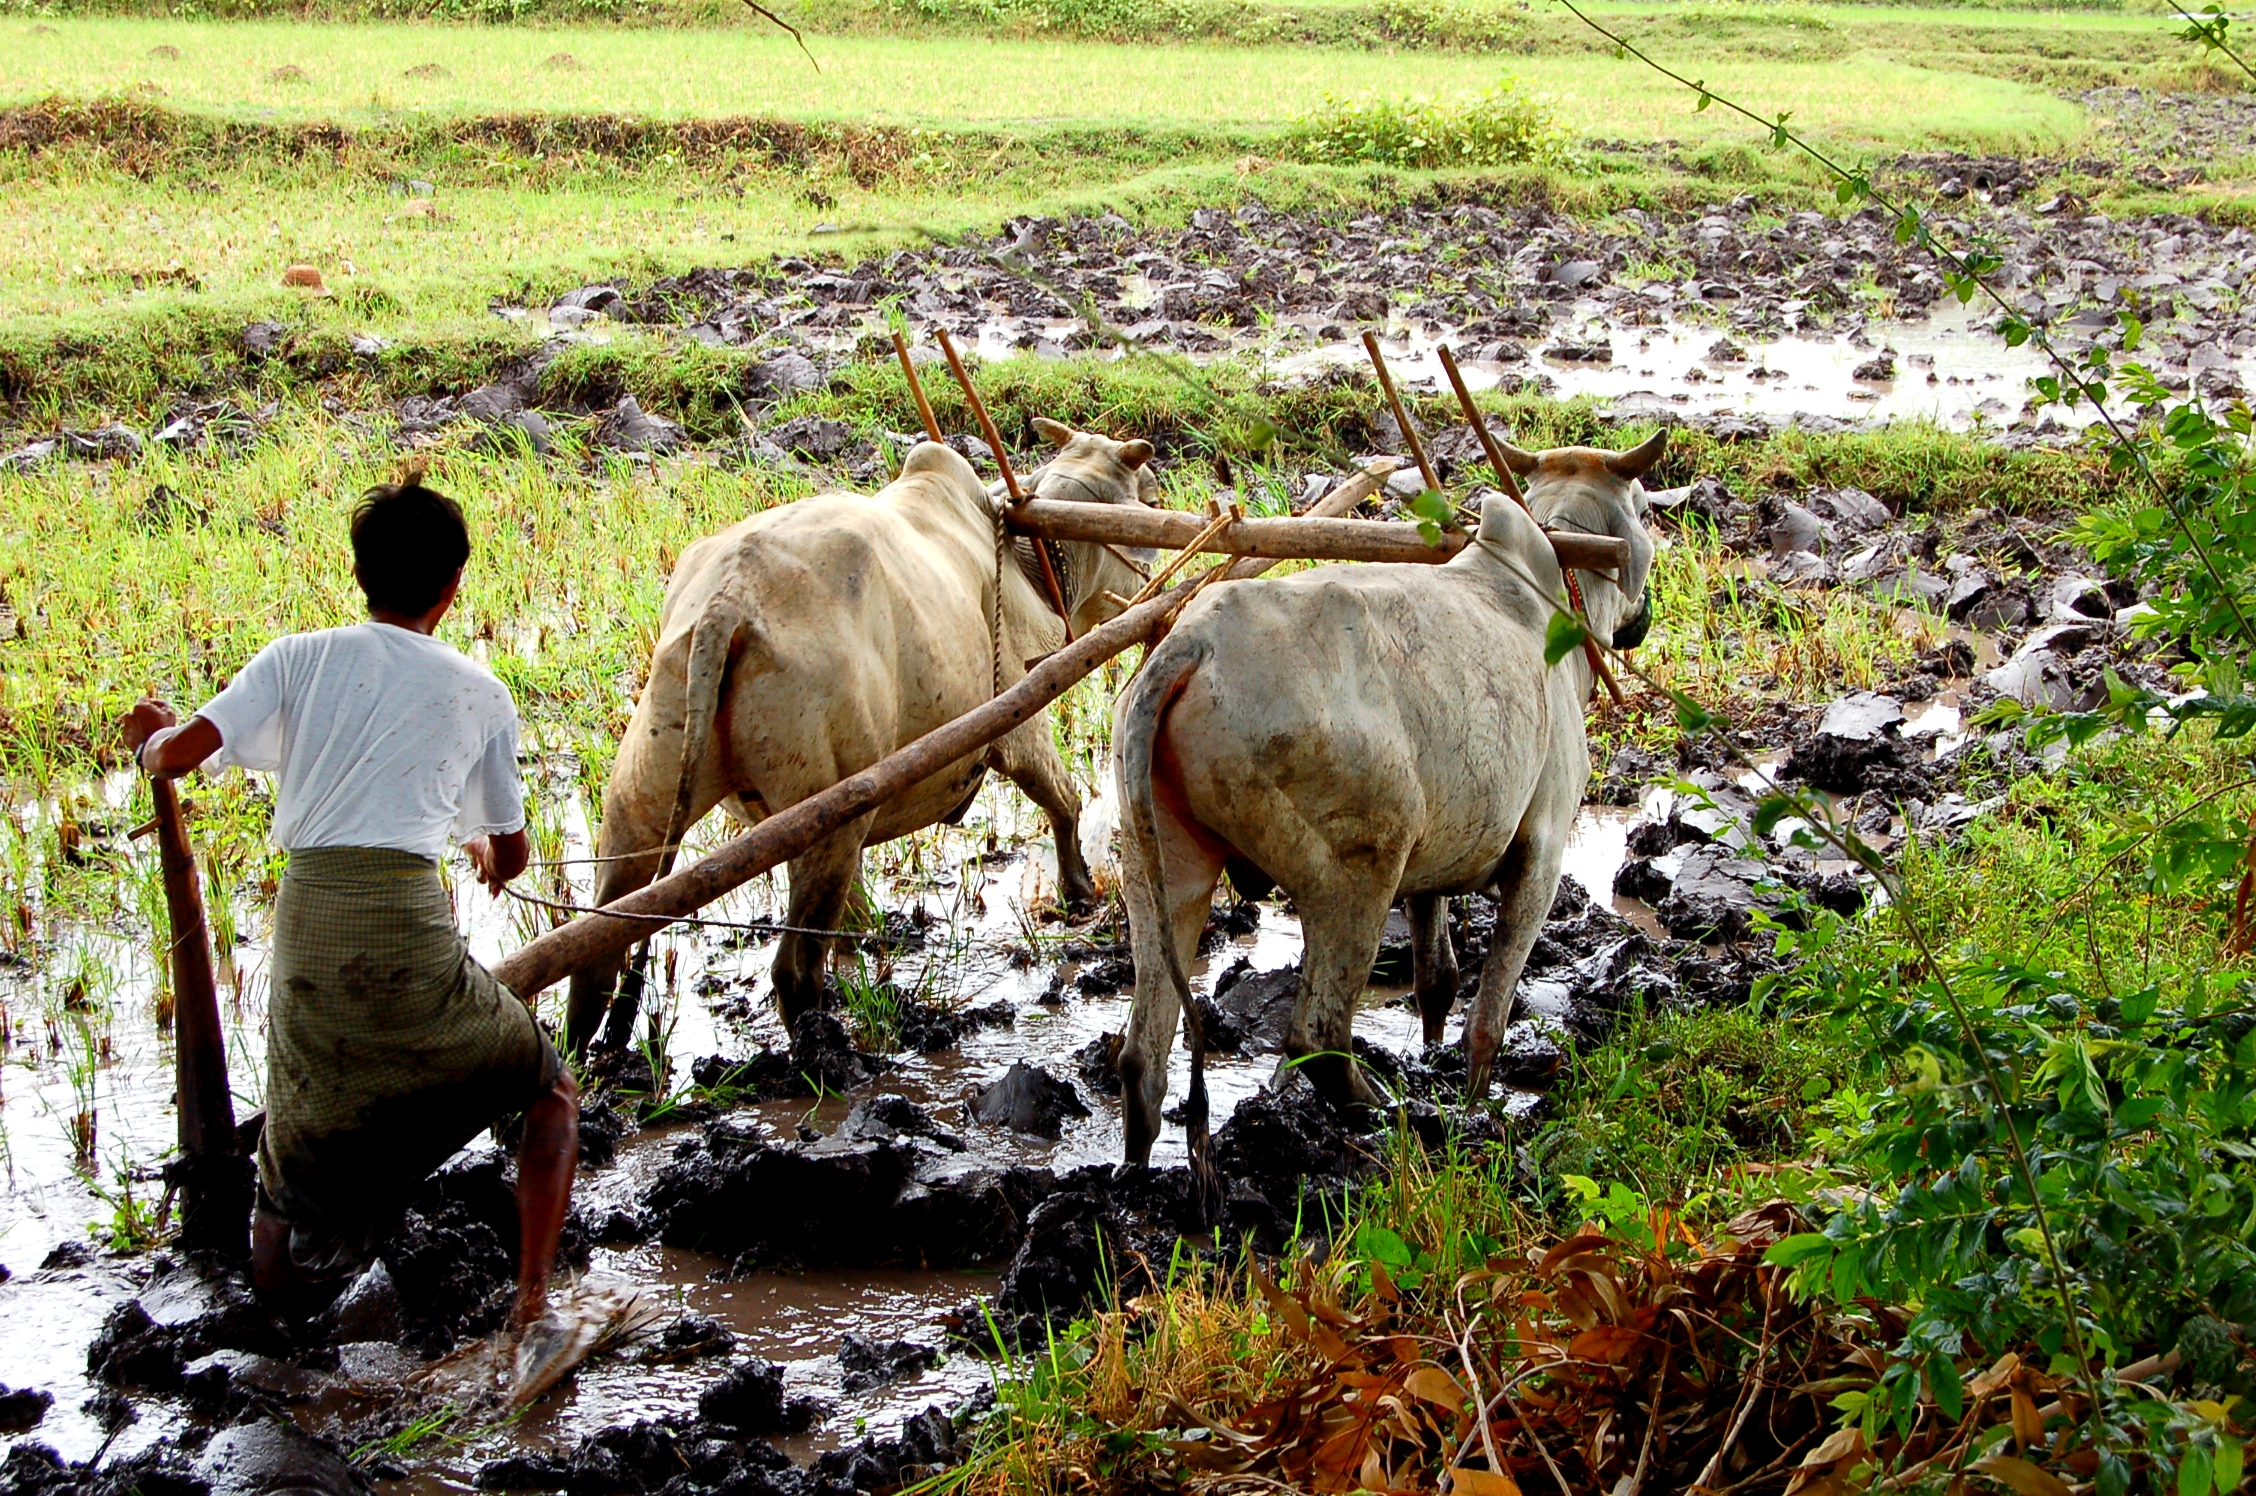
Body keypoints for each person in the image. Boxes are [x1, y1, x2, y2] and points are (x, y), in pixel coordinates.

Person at [123, 475, 578, 1333]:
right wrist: (486, 851)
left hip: (307, 927)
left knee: (293, 1127)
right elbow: (512, 853)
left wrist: (146, 734)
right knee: (549, 1090)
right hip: (405, 929)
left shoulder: (297, 656)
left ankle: (278, 1312)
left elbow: (179, 755)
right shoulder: (481, 691)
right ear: (453, 586)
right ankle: (533, 1302)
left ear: (361, 574)